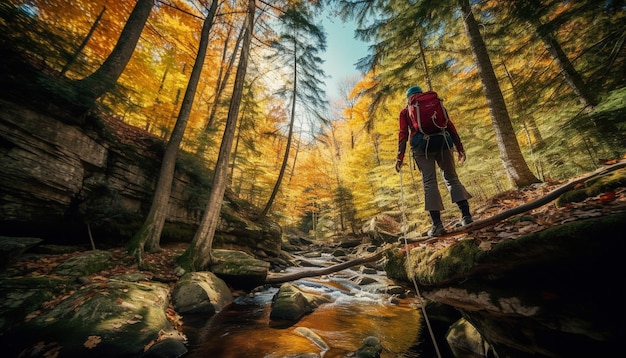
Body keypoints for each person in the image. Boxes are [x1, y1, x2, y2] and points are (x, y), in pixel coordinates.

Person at [395, 85, 473, 237]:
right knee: (452, 178)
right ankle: (466, 216)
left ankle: (437, 225)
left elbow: (403, 134)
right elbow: (449, 125)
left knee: (429, 182)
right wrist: (460, 147)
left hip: (421, 147)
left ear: (408, 98)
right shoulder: (435, 103)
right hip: (444, 142)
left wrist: (400, 157)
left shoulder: (406, 111)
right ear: (421, 94)